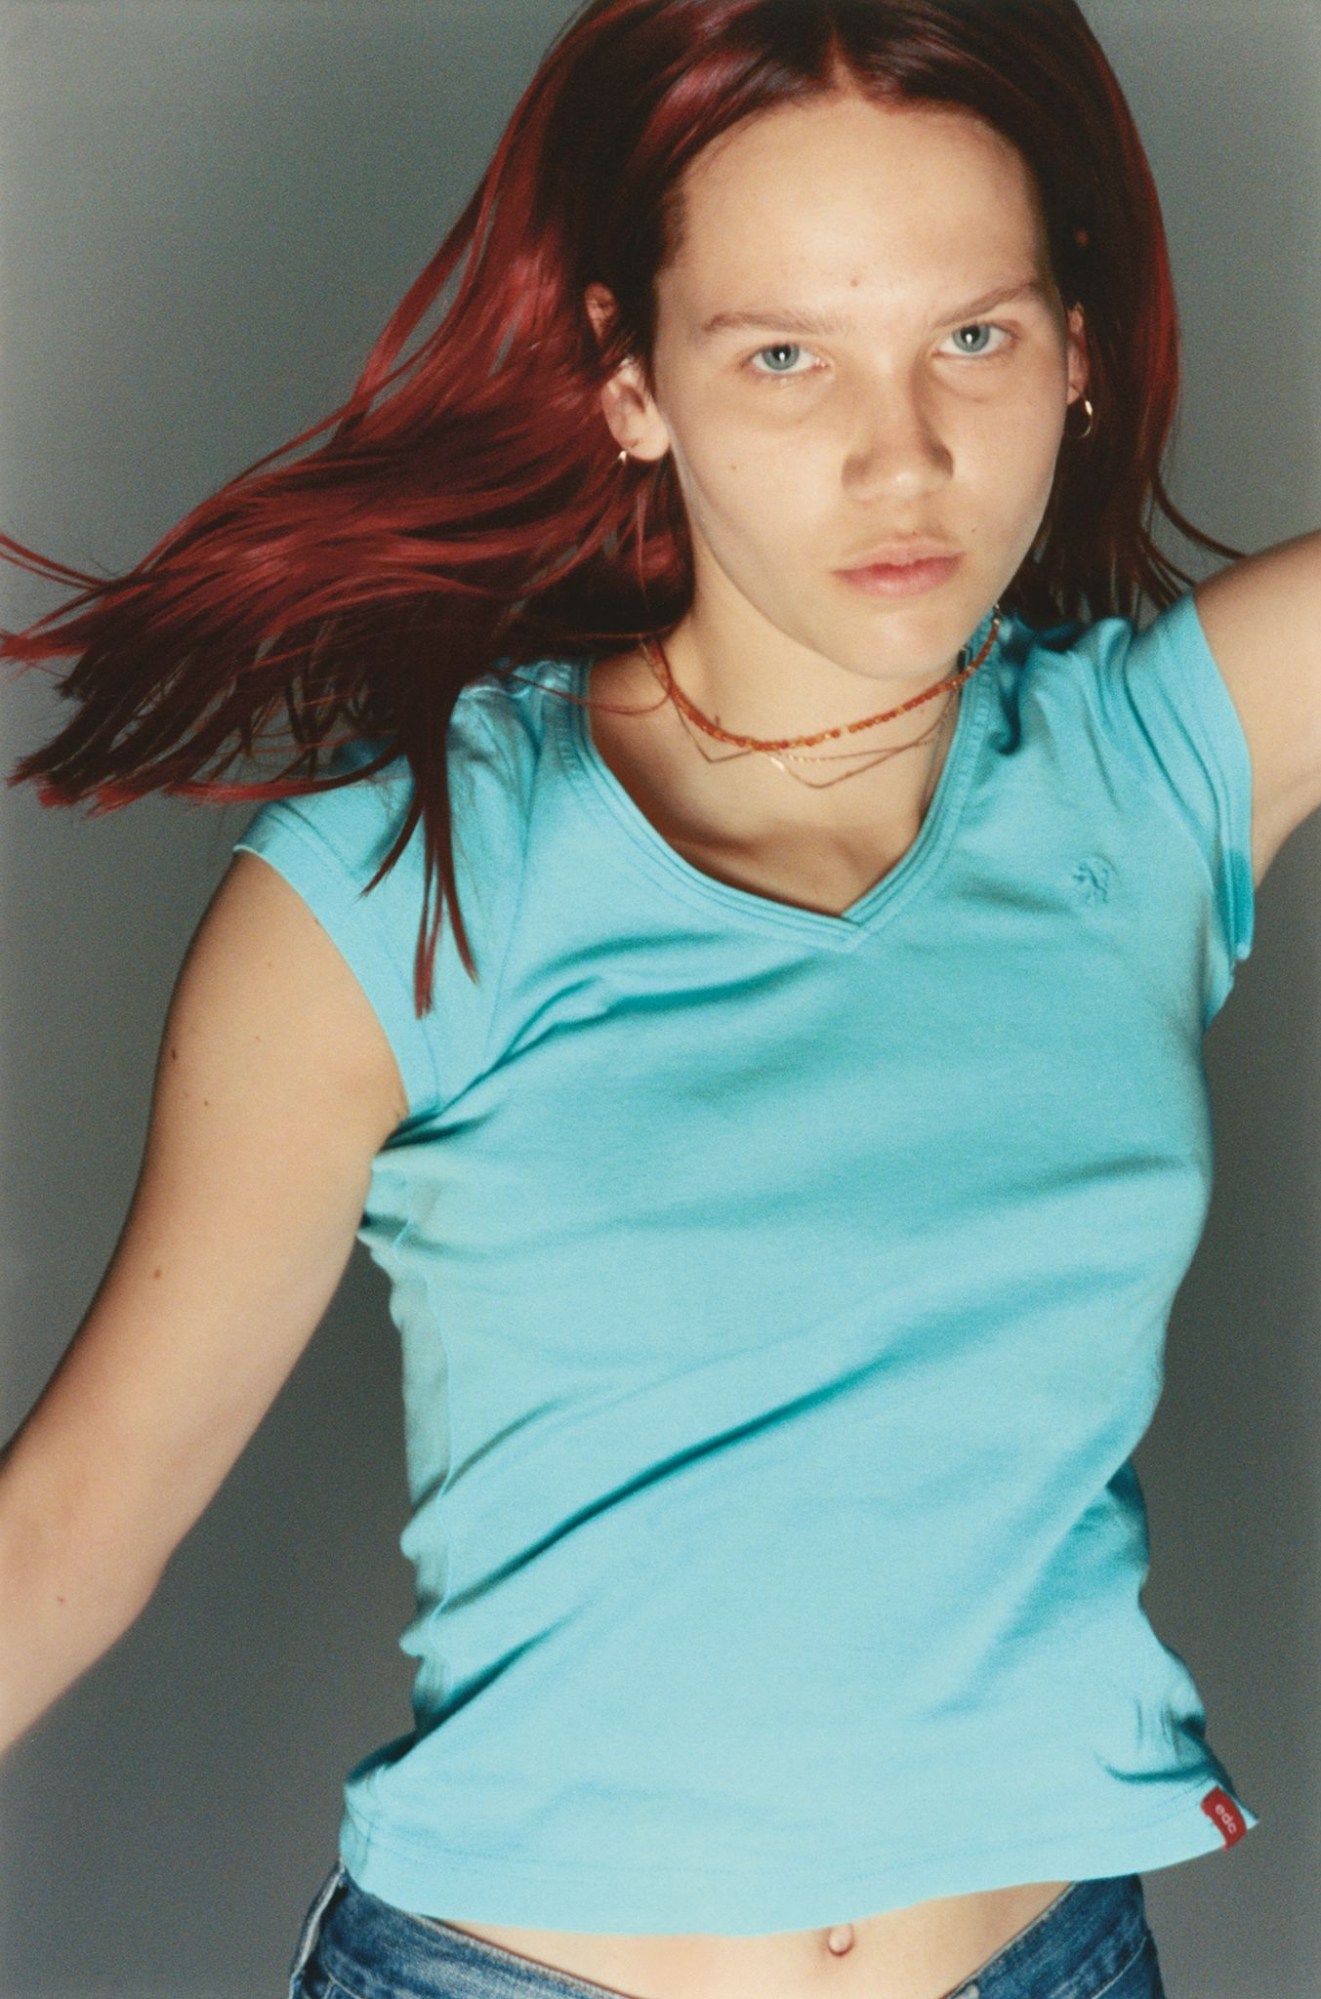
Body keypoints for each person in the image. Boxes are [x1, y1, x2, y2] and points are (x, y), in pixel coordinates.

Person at [2, 1, 1313, 1995]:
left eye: (971, 334)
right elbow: (80, 1520)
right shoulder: (396, 888)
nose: (903, 455)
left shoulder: (1156, 769)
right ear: (629, 383)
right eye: (784, 356)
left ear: (1073, 347)